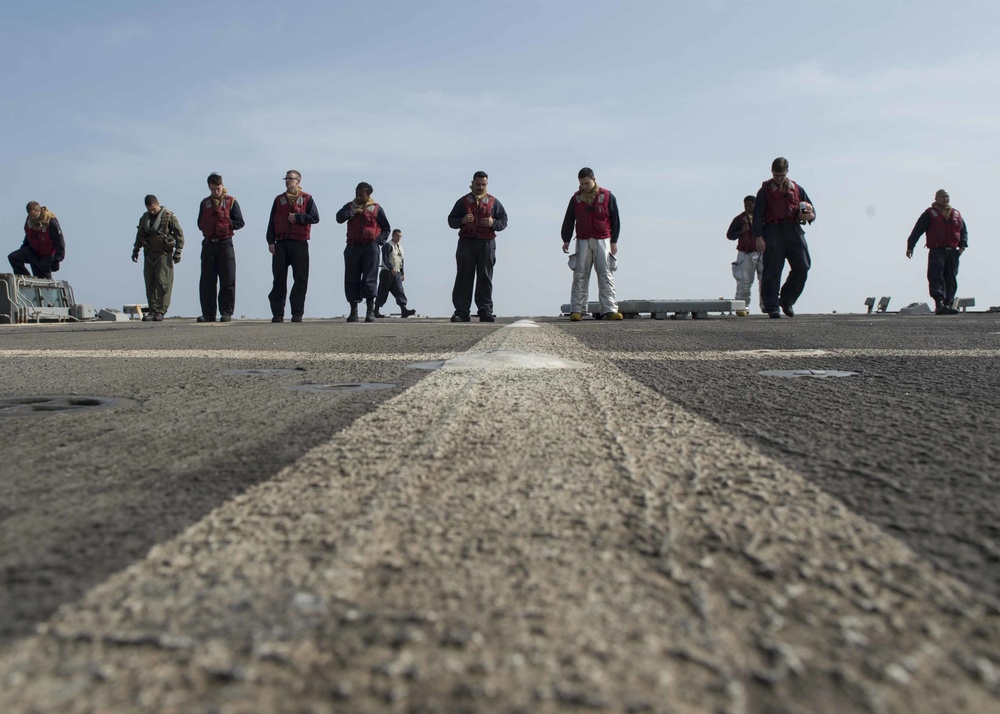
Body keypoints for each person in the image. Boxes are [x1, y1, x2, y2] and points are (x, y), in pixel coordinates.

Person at [751, 157, 816, 318]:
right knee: (772, 270)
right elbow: (757, 215)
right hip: (772, 230)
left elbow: (811, 210)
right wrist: (758, 237)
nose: (778, 178)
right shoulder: (764, 191)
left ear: (787, 172)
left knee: (803, 266)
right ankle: (772, 306)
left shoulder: (797, 189)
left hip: (793, 230)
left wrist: (809, 216)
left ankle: (787, 300)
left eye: (781, 175)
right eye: (775, 175)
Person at [561, 167, 622, 321]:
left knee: (606, 274)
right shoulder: (576, 199)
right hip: (582, 240)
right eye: (581, 184)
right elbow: (569, 220)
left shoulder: (607, 196)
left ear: (594, 180)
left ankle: (610, 309)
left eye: (587, 183)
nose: (584, 186)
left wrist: (614, 241)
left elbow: (615, 220)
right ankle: (577, 310)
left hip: (603, 240)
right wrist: (566, 239)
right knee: (580, 274)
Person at [447, 171, 508, 322]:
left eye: (483, 184)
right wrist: (462, 220)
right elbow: (451, 220)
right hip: (467, 243)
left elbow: (504, 221)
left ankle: (485, 311)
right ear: (472, 183)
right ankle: (461, 312)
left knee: (485, 277)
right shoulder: (462, 202)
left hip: (487, 243)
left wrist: (493, 223)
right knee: (463, 277)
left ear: (487, 184)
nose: (480, 187)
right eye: (478, 184)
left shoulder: (494, 202)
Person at [266, 170, 320, 323]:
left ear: (298, 181)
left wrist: (298, 217)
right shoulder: (278, 200)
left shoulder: (307, 198)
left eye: (291, 179)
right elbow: (271, 222)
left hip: (299, 243)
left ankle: (297, 313)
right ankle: (278, 313)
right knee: (278, 279)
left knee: (300, 279)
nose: (288, 181)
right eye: (286, 179)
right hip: (281, 243)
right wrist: (271, 241)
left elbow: (315, 218)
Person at [906, 189, 968, 315]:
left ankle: (948, 304)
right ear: (936, 198)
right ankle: (939, 303)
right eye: (942, 197)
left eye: (947, 196)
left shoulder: (956, 213)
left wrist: (962, 247)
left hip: (953, 251)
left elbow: (963, 231)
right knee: (936, 275)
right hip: (937, 250)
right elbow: (917, 230)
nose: (945, 199)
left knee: (951, 277)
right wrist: (910, 246)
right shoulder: (929, 214)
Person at [335, 182, 390, 322]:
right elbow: (339, 218)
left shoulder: (376, 208)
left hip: (370, 248)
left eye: (361, 195)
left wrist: (378, 241)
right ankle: (353, 311)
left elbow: (386, 228)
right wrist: (351, 213)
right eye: (356, 194)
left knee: (369, 279)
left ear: (368, 195)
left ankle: (370, 311)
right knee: (351, 279)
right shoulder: (349, 206)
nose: (358, 197)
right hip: (352, 247)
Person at [195, 172, 245, 322]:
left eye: (218, 188)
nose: (215, 192)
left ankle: (226, 312)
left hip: (225, 243)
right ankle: (208, 313)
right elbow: (199, 222)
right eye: (212, 189)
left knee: (228, 279)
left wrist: (227, 224)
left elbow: (240, 222)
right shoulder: (204, 203)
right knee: (207, 280)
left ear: (222, 186)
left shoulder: (231, 202)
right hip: (209, 244)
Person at [132, 195, 184, 321]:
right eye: (149, 209)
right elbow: (140, 235)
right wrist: (136, 250)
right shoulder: (144, 219)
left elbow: (179, 234)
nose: (152, 212)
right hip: (149, 254)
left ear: (158, 204)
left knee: (163, 283)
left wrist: (178, 251)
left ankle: (161, 310)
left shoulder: (169, 217)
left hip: (163, 254)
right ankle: (152, 309)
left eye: (154, 209)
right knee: (150, 283)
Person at [727, 195, 763, 316]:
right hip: (746, 253)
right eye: (746, 205)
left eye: (750, 205)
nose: (748, 207)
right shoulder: (739, 219)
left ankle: (767, 305)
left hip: (762, 252)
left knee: (765, 280)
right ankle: (742, 307)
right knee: (744, 281)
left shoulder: (764, 217)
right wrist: (741, 231)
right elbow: (730, 235)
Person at [9, 202, 65, 279]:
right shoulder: (29, 221)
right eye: (30, 215)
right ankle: (26, 278)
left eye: (34, 215)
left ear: (38, 211)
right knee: (14, 257)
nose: (32, 218)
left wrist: (57, 260)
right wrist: (23, 248)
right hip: (33, 252)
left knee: (44, 279)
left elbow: (60, 241)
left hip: (47, 255)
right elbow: (29, 236)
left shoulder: (51, 221)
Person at [374, 229, 416, 318]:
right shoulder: (387, 245)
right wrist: (391, 268)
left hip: (397, 273)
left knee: (399, 291)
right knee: (383, 291)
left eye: (400, 236)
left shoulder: (400, 247)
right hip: (387, 272)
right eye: (397, 235)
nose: (399, 237)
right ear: (393, 235)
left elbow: (401, 261)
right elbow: (385, 259)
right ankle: (376, 310)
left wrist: (402, 273)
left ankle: (404, 309)